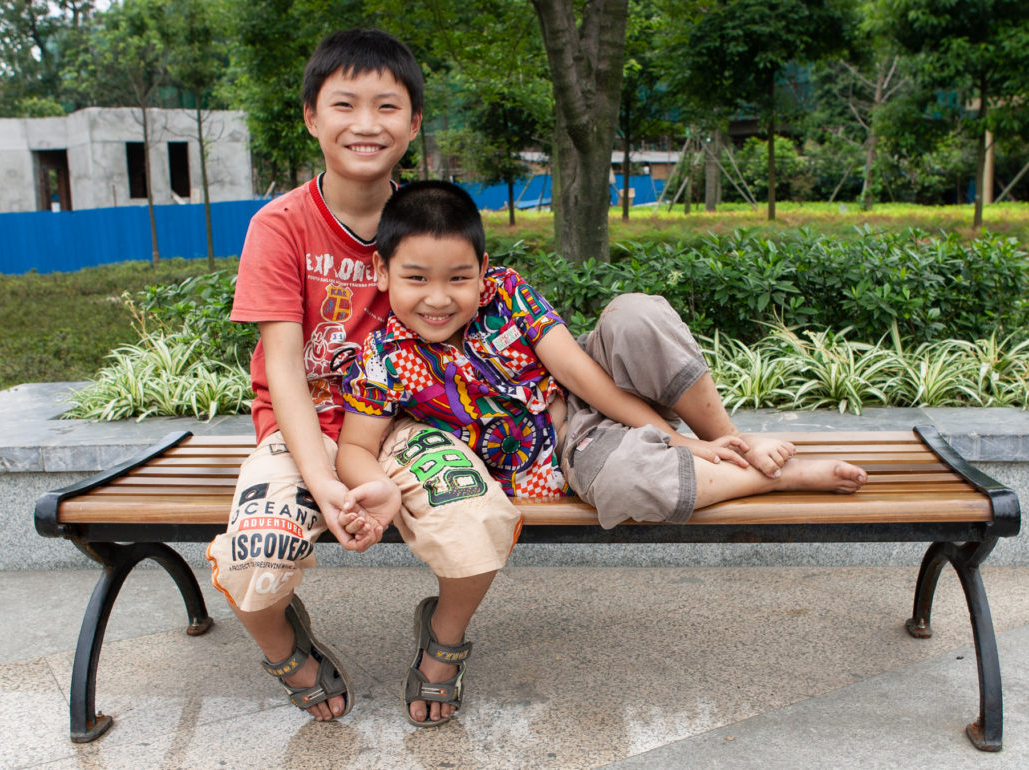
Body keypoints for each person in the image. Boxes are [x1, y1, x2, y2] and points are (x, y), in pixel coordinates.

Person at [206, 30, 521, 729]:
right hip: (302, 429)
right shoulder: (280, 227)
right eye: (344, 103)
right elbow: (284, 367)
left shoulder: (429, 221)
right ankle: (291, 651)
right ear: (312, 117)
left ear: (412, 124)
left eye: (387, 106)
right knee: (253, 564)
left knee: (479, 525)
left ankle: (442, 642)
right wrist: (324, 484)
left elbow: (490, 328)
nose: (365, 123)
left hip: (406, 425)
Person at [336, 179, 868, 544]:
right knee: (626, 487)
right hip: (571, 446)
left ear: (482, 269)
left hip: (597, 389)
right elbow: (357, 445)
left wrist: (683, 439)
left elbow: (577, 374)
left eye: (458, 278)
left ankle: (729, 442)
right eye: (416, 279)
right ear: (382, 272)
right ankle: (770, 475)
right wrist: (375, 488)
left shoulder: (504, 295)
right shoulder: (383, 358)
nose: (438, 298)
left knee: (635, 315)